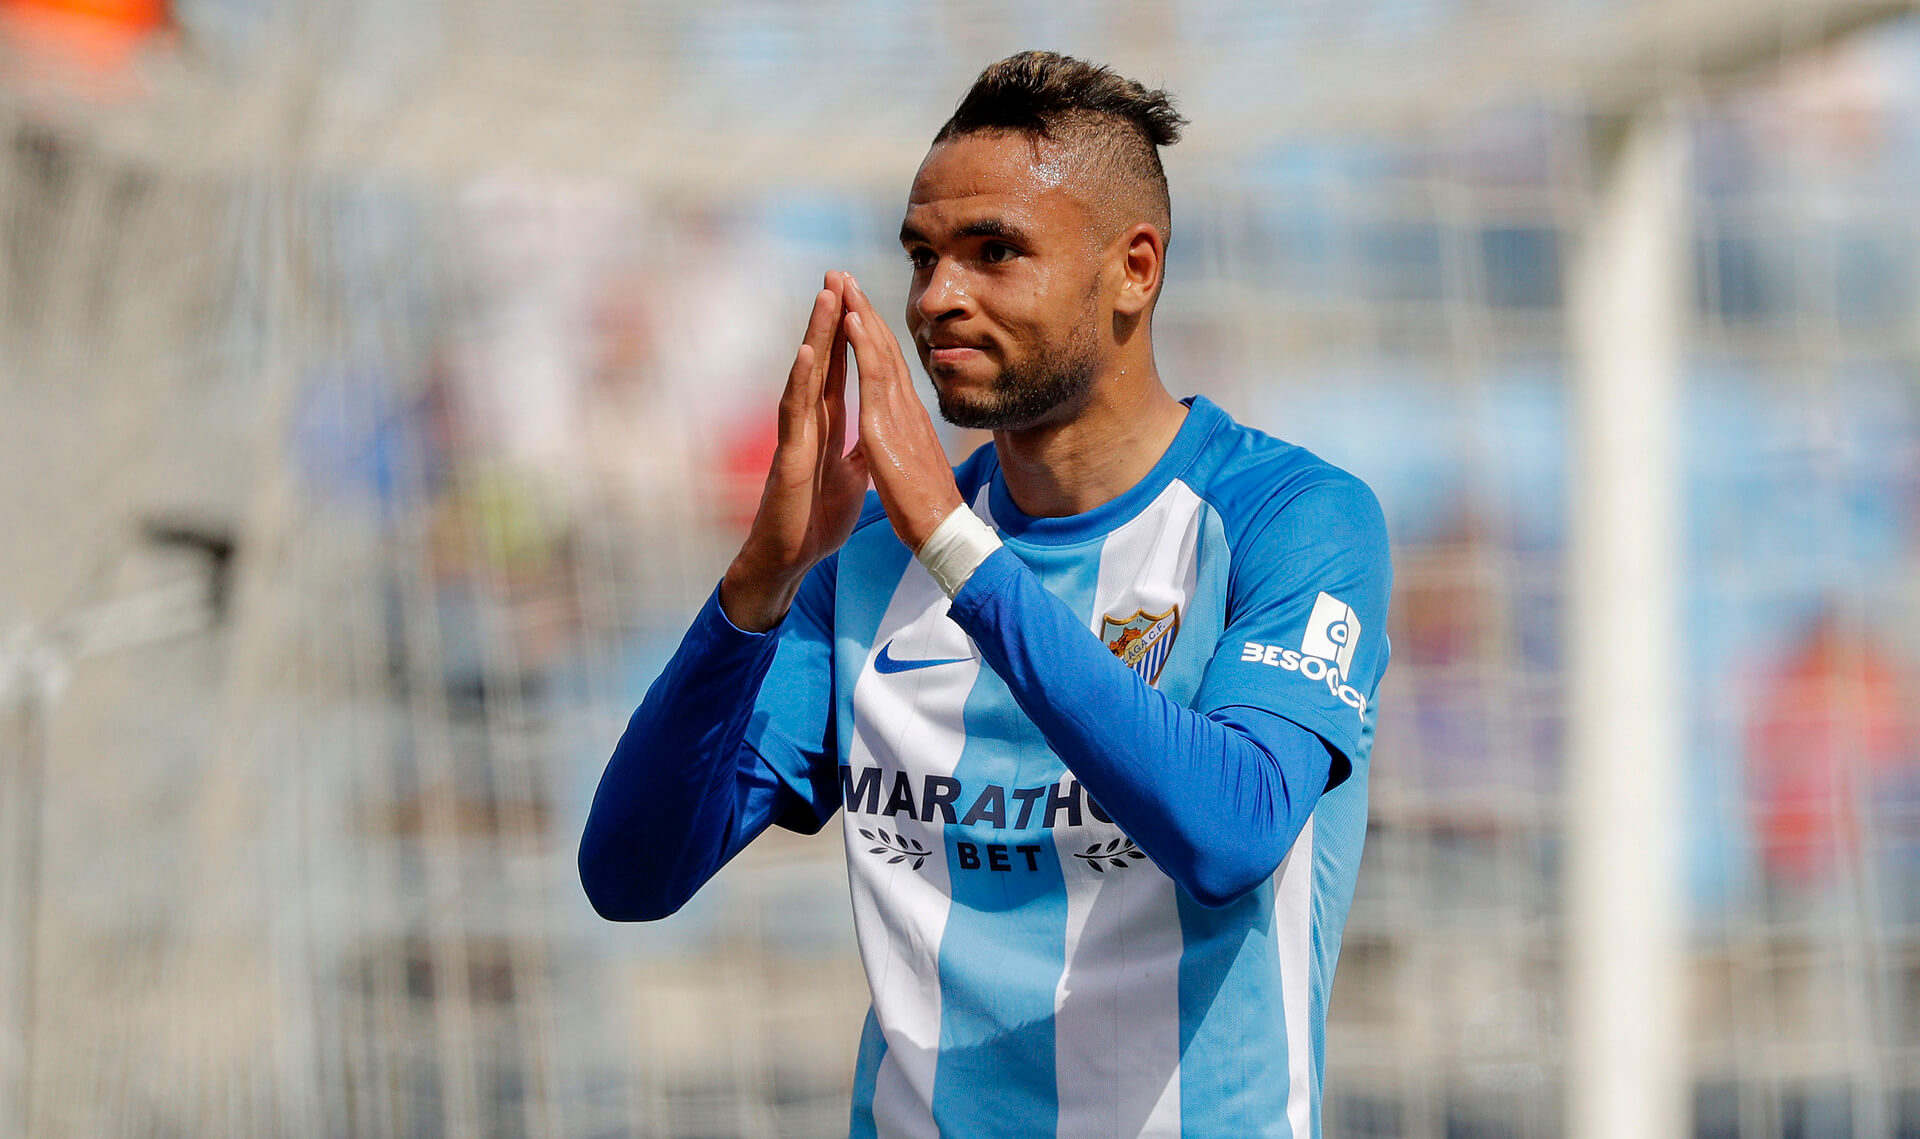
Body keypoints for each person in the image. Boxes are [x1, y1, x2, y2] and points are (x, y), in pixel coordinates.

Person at [580, 50, 1392, 1139]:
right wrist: (761, 576)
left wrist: (960, 552)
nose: (937, 297)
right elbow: (631, 874)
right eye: (923, 256)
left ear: (1134, 269)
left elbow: (1229, 834)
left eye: (994, 251)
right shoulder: (868, 562)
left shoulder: (1289, 517)